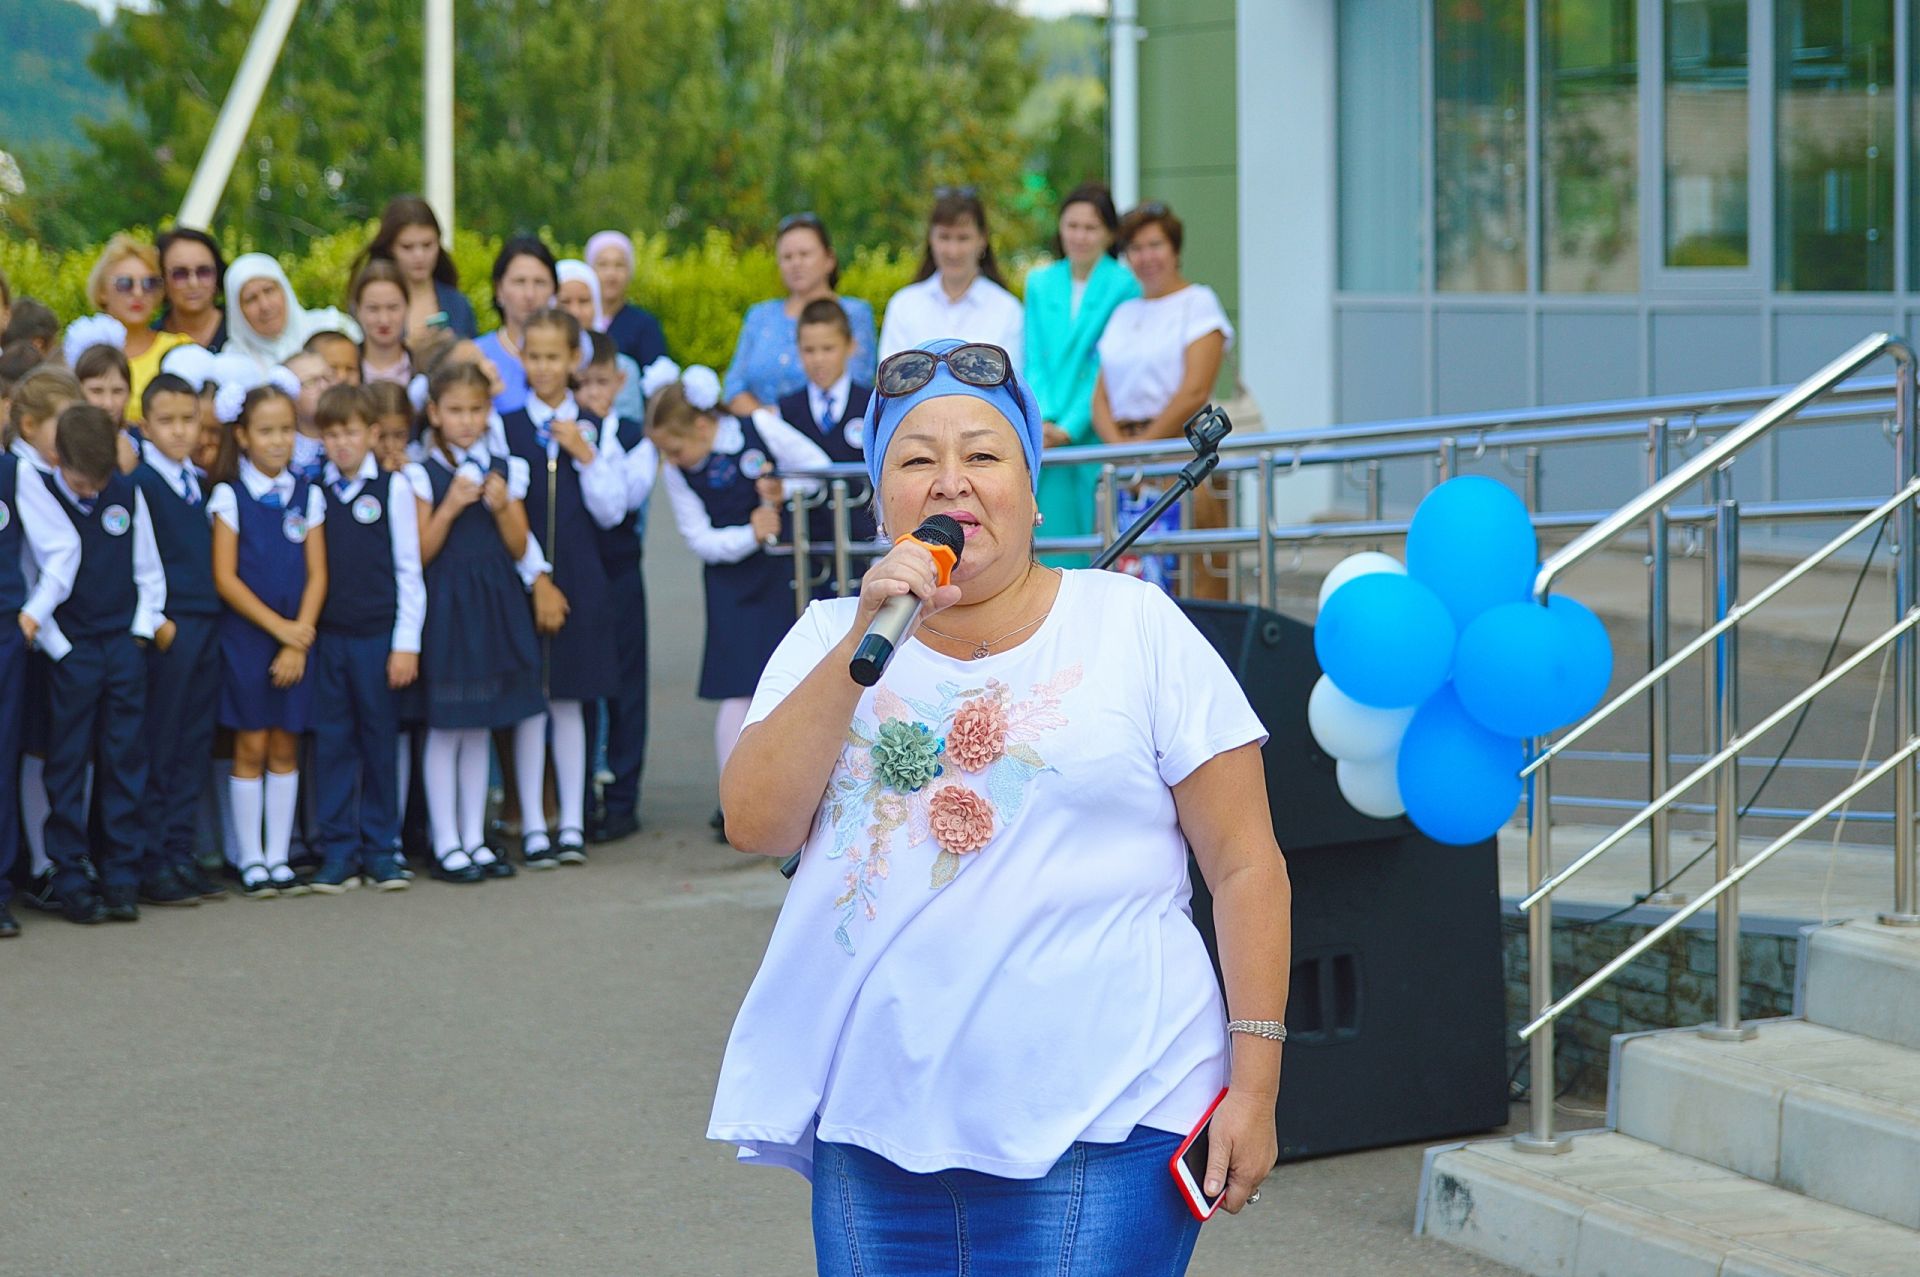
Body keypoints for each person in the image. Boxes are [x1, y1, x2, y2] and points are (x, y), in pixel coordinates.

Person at [707, 339, 1290, 1273]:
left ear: (1030, 480)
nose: (953, 483)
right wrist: (866, 632)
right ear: (879, 494)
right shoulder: (830, 637)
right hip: (877, 1129)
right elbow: (757, 822)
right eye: (916, 459)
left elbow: (1246, 860)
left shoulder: (1132, 624)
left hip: (1115, 1117)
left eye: (983, 454)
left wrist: (1254, 1086)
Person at [644, 358, 828, 832]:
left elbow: (819, 469)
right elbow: (699, 538)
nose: (672, 458)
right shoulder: (678, 474)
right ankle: (735, 797)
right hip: (732, 584)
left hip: (783, 575)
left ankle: (796, 790)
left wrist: (783, 490)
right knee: (737, 688)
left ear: (704, 425)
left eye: (676, 447)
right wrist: (749, 533)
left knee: (794, 677)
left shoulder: (758, 427)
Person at [405, 361, 546, 883]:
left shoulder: (504, 468)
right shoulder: (421, 473)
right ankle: (446, 841)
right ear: (435, 414)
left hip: (492, 603)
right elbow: (418, 551)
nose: (466, 421)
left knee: (482, 722)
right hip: (447, 607)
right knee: (447, 725)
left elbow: (517, 544)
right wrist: (449, 507)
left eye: (476, 410)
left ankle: (473, 836)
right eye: (456, 411)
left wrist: (503, 504)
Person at [499, 308, 625, 867]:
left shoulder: (595, 425)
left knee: (570, 699)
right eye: (534, 356)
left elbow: (612, 509)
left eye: (554, 357)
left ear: (574, 360)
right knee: (531, 701)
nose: (544, 367)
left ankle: (571, 822)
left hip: (581, 579)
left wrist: (586, 453)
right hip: (524, 580)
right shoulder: (504, 426)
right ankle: (533, 823)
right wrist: (535, 577)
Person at [42, 403, 167, 925]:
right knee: (68, 763)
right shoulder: (43, 495)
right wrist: (61, 649)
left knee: (125, 760)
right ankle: (71, 874)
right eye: (80, 479)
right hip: (72, 647)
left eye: (99, 479)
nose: (90, 490)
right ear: (58, 458)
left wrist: (138, 636)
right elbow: (36, 577)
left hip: (120, 646)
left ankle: (121, 873)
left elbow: (149, 573)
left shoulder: (126, 493)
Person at [208, 370, 328, 899]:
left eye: (286, 430)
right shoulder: (230, 497)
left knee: (286, 743)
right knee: (250, 743)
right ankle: (249, 858)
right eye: (266, 431)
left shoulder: (309, 493)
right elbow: (225, 578)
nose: (278, 441)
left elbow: (318, 573)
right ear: (243, 436)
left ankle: (279, 856)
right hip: (249, 641)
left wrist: (298, 635)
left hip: (297, 642)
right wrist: (280, 630)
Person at [310, 383, 421, 893]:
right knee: (333, 744)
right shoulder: (315, 490)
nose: (342, 444)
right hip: (330, 639)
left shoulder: (393, 488)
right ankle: (338, 851)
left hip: (379, 639)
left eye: (351, 432)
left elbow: (408, 570)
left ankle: (381, 848)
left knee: (380, 743)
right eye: (330, 434)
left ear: (373, 434)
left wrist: (406, 643)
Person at [1093, 202, 1235, 600]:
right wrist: (1123, 450)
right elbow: (1100, 397)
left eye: (1155, 245)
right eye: (1135, 248)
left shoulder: (1198, 302)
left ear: (1174, 249)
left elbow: (1194, 390)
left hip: (1179, 457)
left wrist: (1146, 447)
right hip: (1129, 466)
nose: (1145, 257)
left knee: (1188, 581)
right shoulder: (1123, 312)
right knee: (1128, 579)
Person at [132, 372, 227, 905]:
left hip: (207, 622)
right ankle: (151, 860)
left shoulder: (201, 483)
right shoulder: (143, 485)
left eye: (188, 420)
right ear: (145, 427)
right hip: (172, 628)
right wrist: (158, 621)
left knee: (193, 742)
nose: (178, 431)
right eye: (166, 422)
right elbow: (136, 561)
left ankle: (179, 852)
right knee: (161, 742)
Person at [0, 369, 83, 936]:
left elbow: (63, 546)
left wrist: (32, 612)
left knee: (3, 760)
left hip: (5, 631)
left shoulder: (13, 473)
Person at [1024, 183, 1141, 566]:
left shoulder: (1124, 285)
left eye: (1090, 227)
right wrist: (1041, 421)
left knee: (1098, 542)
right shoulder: (1040, 283)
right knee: (1051, 544)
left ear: (1109, 233)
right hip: (1046, 431)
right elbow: (1034, 358)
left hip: (1094, 431)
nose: (1079, 236)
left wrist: (1069, 428)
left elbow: (1104, 365)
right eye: (1071, 225)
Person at [576, 331, 656, 844]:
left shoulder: (634, 437)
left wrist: (590, 451)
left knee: (627, 686)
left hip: (620, 573)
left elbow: (624, 499)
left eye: (602, 382)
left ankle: (623, 799)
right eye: (582, 383)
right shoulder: (561, 434)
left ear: (620, 381)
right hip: (577, 574)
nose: (592, 393)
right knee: (581, 686)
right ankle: (578, 800)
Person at [723, 213, 876, 415]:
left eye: (804, 254)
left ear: (829, 259)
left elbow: (859, 382)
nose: (796, 263)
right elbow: (734, 386)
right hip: (763, 432)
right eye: (787, 257)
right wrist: (771, 423)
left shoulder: (854, 313)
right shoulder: (760, 316)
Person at [774, 298, 875, 597]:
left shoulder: (871, 404)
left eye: (828, 348)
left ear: (850, 346)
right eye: (809, 350)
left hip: (861, 547)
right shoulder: (785, 411)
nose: (818, 359)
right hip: (806, 553)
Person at [877, 190, 1023, 368]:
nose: (953, 251)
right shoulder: (904, 305)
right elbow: (892, 378)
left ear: (982, 240)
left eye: (963, 238)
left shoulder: (1007, 309)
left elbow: (1011, 382)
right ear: (931, 239)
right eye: (944, 237)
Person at [84, 234, 196, 419]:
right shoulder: (82, 349)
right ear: (103, 291)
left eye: (149, 284)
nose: (138, 293)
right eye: (125, 284)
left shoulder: (179, 349)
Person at [353, 195, 478, 340]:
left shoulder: (458, 304)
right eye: (407, 247)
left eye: (427, 245)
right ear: (389, 248)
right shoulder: (369, 303)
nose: (419, 256)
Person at [223, 252, 362, 374]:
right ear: (237, 310)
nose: (264, 305)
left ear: (285, 290)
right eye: (251, 299)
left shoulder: (332, 325)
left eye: (269, 290)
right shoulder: (233, 360)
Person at [474, 236, 559, 415]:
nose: (530, 294)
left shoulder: (574, 351)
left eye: (540, 282)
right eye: (519, 282)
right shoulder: (476, 354)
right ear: (499, 289)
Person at [555, 259, 644, 423]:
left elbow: (632, 426)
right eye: (565, 302)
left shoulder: (623, 366)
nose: (575, 312)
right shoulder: (543, 363)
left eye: (584, 301)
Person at [584, 231, 669, 370]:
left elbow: (658, 383)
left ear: (630, 271)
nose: (611, 273)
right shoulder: (578, 319)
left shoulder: (644, 325)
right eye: (603, 264)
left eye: (619, 265)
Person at [155, 226, 228, 351]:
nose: (193, 283)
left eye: (204, 272)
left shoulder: (243, 328)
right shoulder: (152, 339)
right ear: (162, 279)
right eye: (180, 274)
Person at [352, 260, 414, 385]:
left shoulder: (427, 369)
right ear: (358, 310)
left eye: (393, 307)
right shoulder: (343, 369)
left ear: (407, 307)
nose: (384, 320)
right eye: (373, 308)